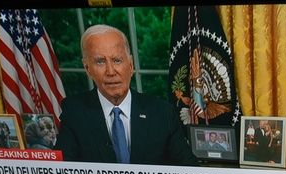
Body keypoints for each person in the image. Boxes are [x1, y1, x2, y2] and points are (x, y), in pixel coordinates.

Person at [56, 24, 196, 165]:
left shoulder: (162, 112)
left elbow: (189, 170)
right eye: (100, 62)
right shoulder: (74, 112)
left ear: (130, 65)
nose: (110, 71)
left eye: (117, 60)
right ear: (87, 69)